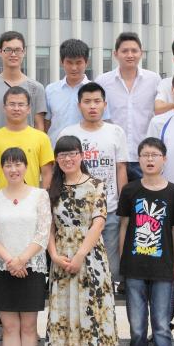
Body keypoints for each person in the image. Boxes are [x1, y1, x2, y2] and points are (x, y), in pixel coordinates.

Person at [46, 135, 118, 346]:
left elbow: (98, 223)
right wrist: (54, 254)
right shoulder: (52, 189)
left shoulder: (96, 185)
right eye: (62, 155)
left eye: (72, 154)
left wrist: (79, 255)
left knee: (94, 316)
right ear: (57, 159)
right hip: (61, 261)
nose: (67, 159)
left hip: (91, 260)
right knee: (69, 317)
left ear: (81, 155)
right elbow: (48, 226)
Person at [117, 137, 174, 346]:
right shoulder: (130, 190)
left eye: (155, 155)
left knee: (161, 328)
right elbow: (124, 227)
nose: (149, 159)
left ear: (164, 159)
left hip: (163, 270)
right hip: (134, 269)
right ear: (139, 159)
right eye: (145, 154)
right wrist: (123, 262)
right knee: (137, 329)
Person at [0, 148, 51, 346]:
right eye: (8, 165)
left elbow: (43, 233)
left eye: (18, 164)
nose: (13, 169)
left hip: (32, 267)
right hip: (3, 268)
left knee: (29, 327)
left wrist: (22, 259)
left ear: (26, 167)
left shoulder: (39, 195)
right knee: (10, 327)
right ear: (1, 169)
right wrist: (10, 260)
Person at [59, 81, 128, 289]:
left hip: (110, 209)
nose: (92, 106)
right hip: (76, 213)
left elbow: (121, 168)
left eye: (97, 101)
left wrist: (123, 203)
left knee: (109, 267)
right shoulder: (68, 133)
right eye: (87, 101)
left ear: (105, 104)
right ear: (79, 105)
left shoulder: (116, 132)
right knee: (79, 267)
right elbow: (61, 169)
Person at [95, 32, 161, 181]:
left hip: (144, 155)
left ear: (141, 53)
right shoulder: (103, 81)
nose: (130, 55)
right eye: (124, 51)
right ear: (115, 54)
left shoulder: (154, 79)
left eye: (134, 51)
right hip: (113, 155)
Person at [0, 31, 48, 140]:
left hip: (28, 147)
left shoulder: (36, 88)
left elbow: (39, 124)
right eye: (8, 50)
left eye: (18, 50)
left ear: (24, 52)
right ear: (0, 52)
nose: (13, 54)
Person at [0, 86, 54, 192]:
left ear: (29, 109)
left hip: (32, 199)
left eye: (21, 104)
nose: (16, 108)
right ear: (4, 108)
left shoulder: (42, 138)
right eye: (12, 104)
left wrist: (45, 198)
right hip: (1, 199)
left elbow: (47, 173)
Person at [46, 39, 108, 144]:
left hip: (88, 149)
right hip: (56, 149)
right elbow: (46, 123)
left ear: (86, 63)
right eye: (69, 62)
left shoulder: (97, 91)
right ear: (62, 62)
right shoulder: (50, 90)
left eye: (79, 62)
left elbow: (103, 122)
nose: (74, 68)